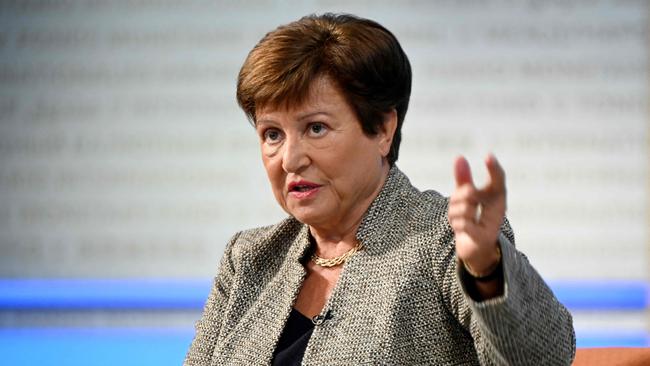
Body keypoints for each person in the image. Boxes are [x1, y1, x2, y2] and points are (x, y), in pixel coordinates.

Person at [184, 13, 575, 365]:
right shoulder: (249, 257)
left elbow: (545, 360)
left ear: (383, 130)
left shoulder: (442, 240)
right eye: (272, 134)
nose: (290, 159)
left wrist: (486, 269)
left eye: (315, 128)